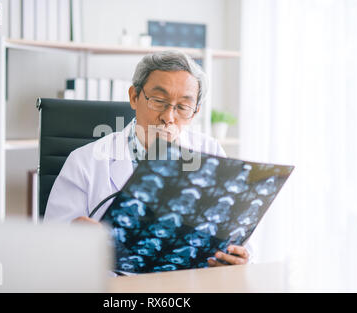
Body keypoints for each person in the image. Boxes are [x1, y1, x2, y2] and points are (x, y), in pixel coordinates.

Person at [44, 50, 250, 267]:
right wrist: (73, 242)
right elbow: (51, 246)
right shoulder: (85, 162)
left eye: (182, 107)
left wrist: (238, 256)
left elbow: (239, 236)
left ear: (196, 112)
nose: (168, 117)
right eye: (159, 101)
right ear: (134, 97)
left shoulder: (211, 152)